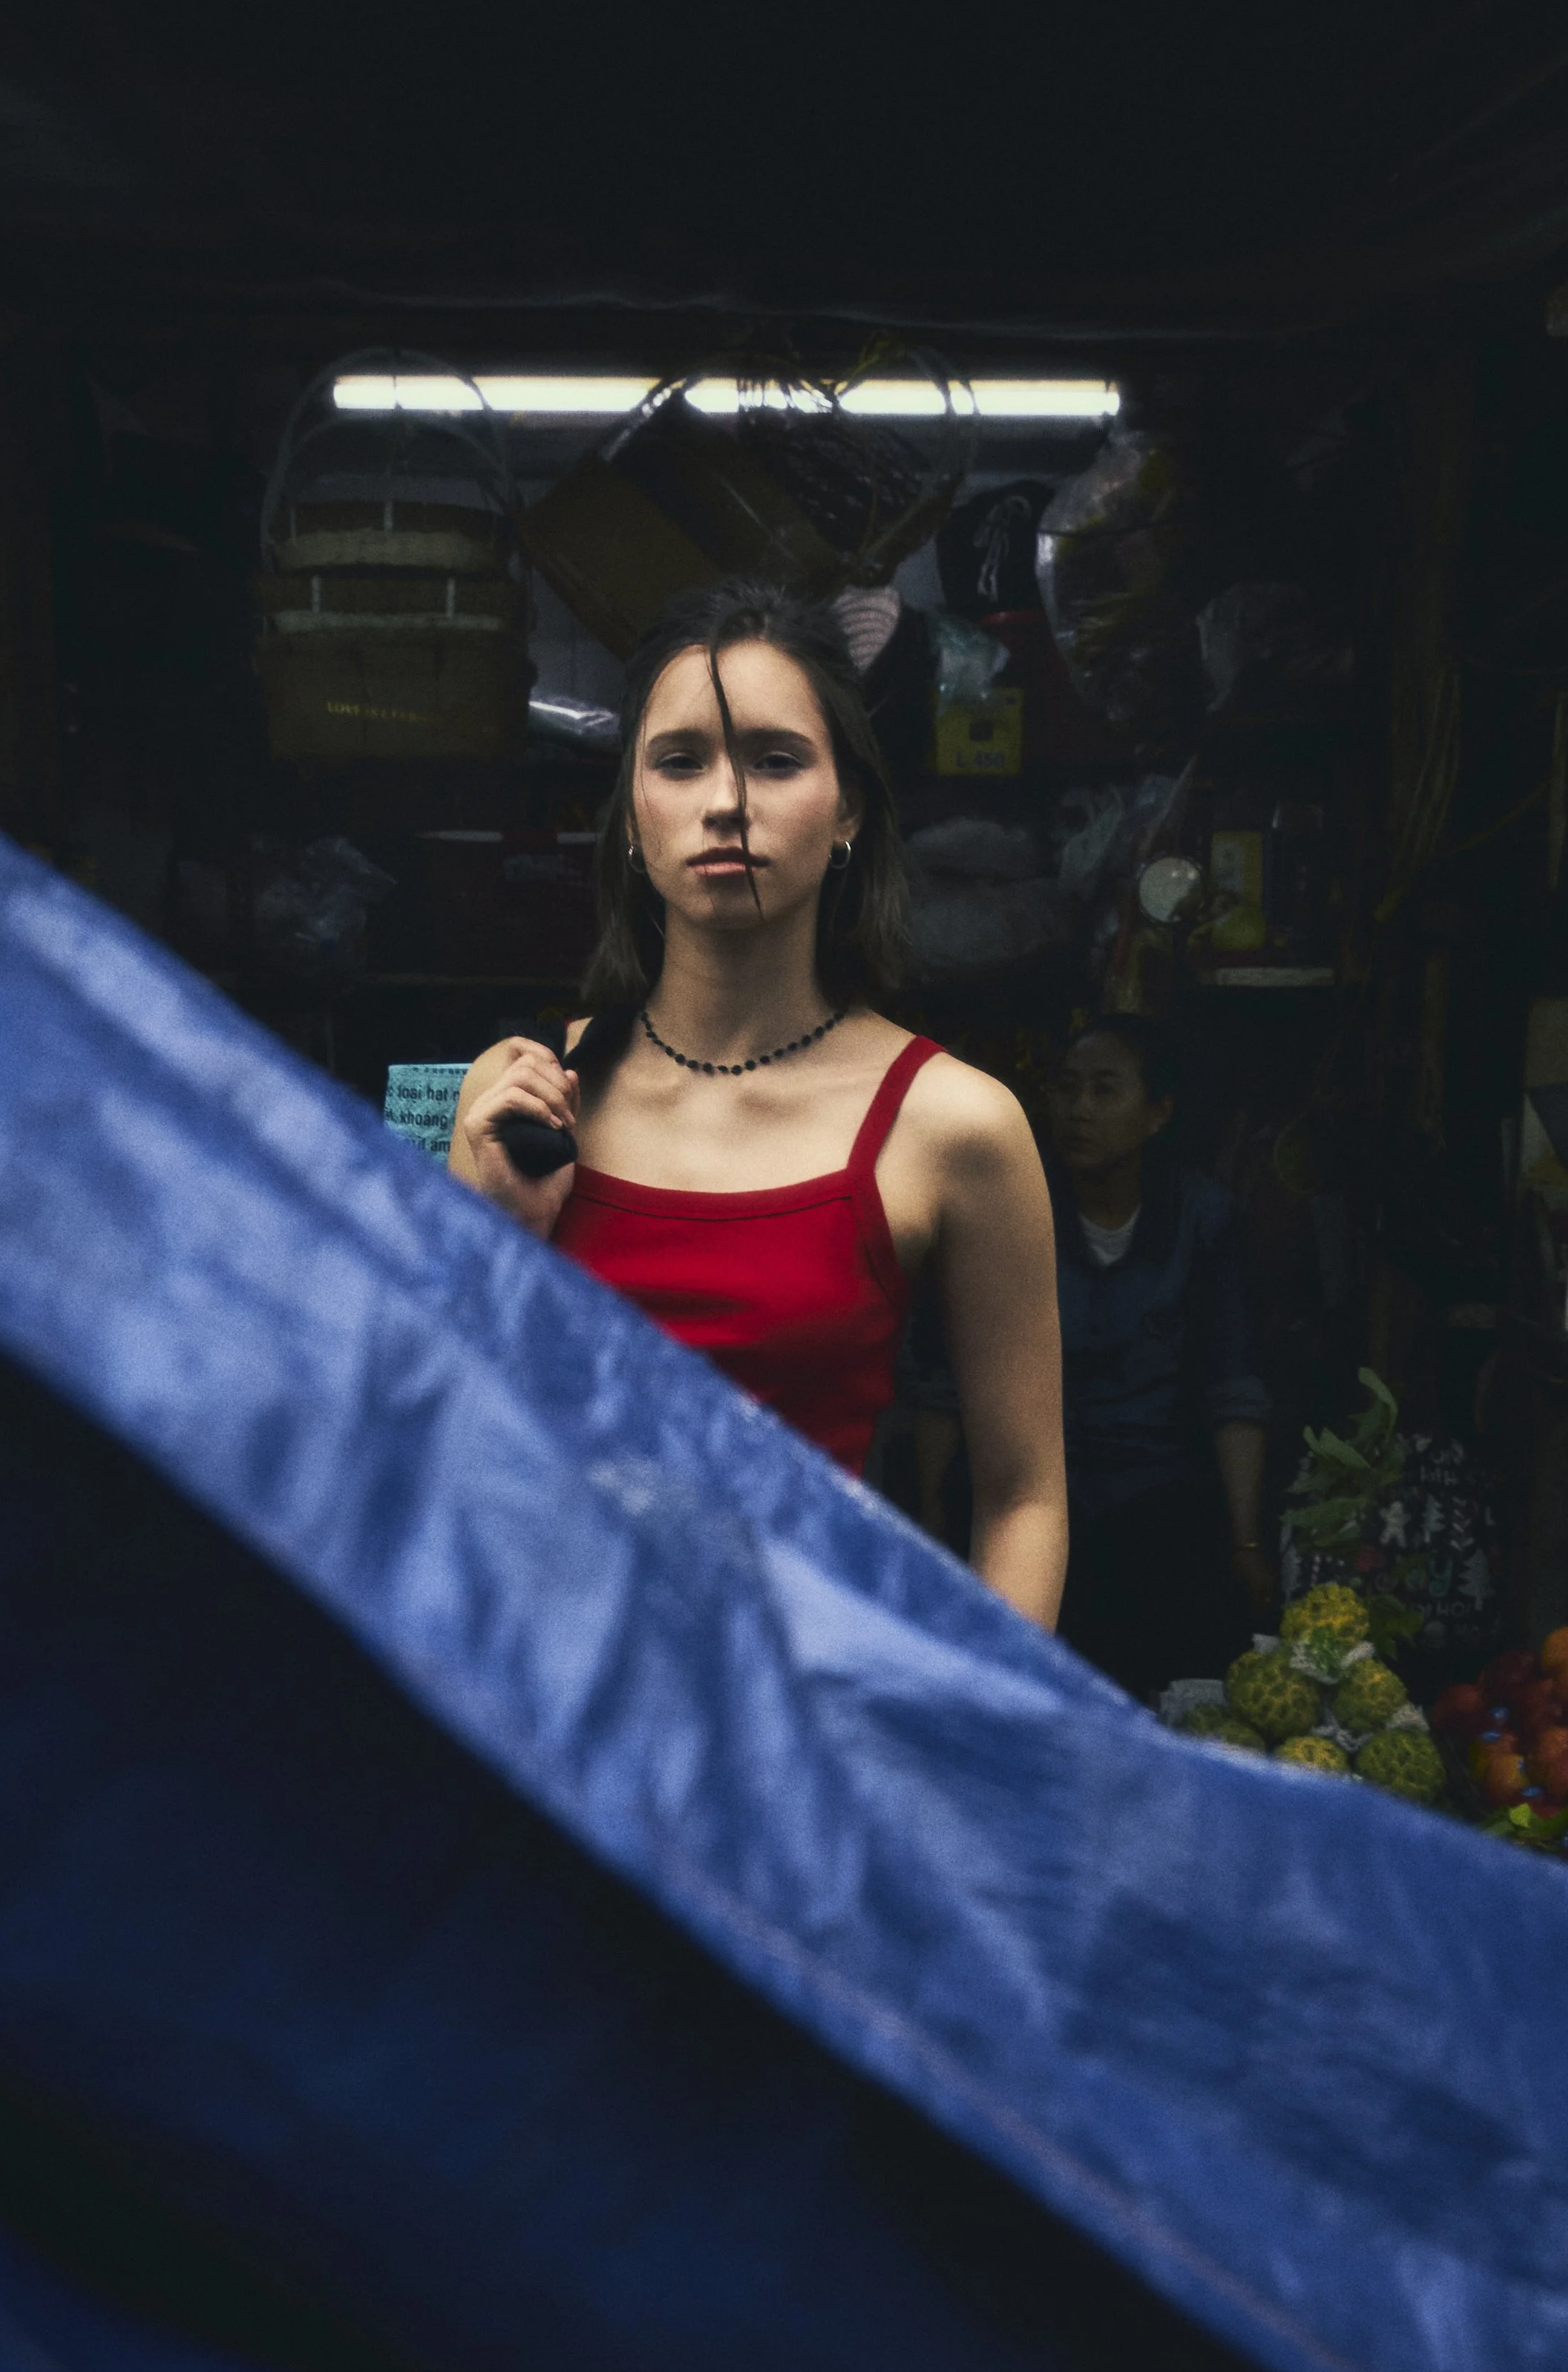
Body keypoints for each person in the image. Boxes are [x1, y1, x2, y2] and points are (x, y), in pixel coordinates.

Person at [448, 580, 1068, 1631]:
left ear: (850, 810)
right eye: (680, 760)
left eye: (777, 760)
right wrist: (499, 1234)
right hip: (555, 1722)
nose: (726, 800)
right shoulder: (522, 1096)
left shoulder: (955, 1124)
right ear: (633, 816)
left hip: (815, 1733)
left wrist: (974, 1749)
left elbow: (1023, 1497)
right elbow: (451, 1454)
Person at [1043, 1015, 1272, 1696]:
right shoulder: (1022, 1208)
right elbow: (945, 1376)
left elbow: (1233, 1384)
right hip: (1052, 1498)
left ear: (1157, 1114)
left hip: (1161, 1499)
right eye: (1067, 1089)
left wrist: (1246, 1543)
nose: (1079, 1110)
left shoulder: (1202, 1217)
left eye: (1105, 1090)